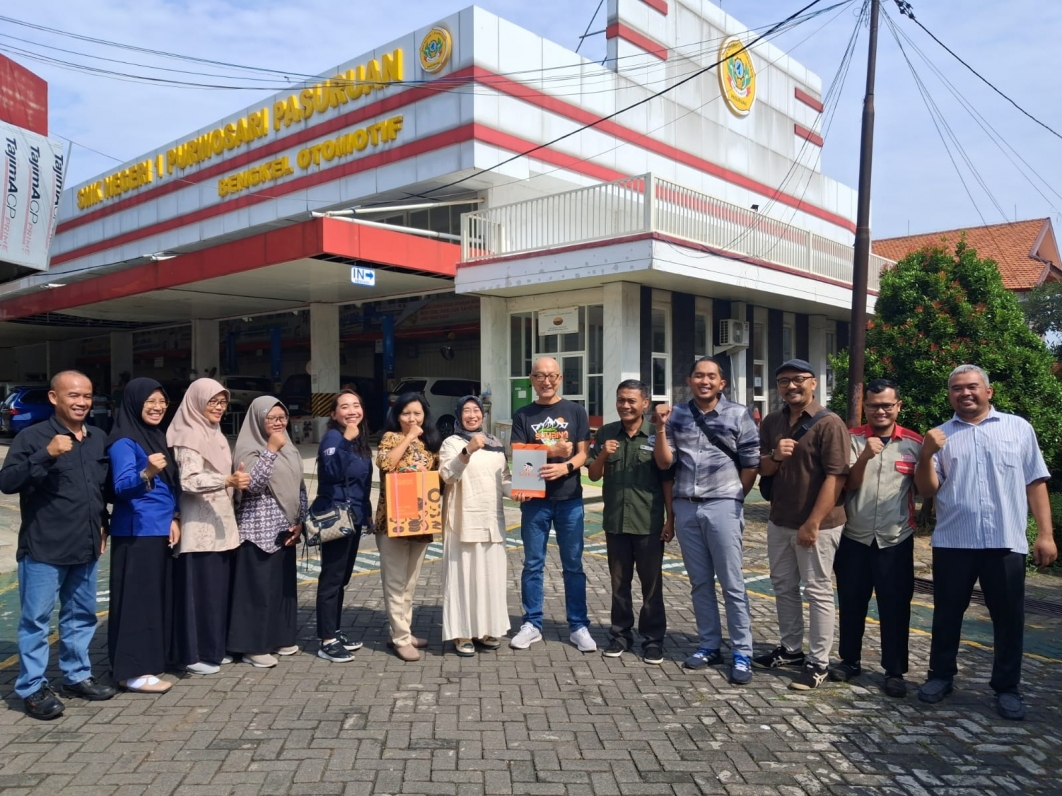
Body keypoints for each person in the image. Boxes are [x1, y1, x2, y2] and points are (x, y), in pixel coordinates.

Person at [913, 364, 1056, 720]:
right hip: (954, 543)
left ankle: (1007, 687)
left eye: (972, 387)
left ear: (988, 392)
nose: (965, 393)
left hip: (1005, 542)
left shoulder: (1018, 429)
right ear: (949, 395)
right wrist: (926, 453)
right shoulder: (941, 436)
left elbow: (1035, 482)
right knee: (947, 615)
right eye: (957, 388)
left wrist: (1046, 534)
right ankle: (940, 677)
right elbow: (927, 490)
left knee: (1008, 619)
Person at [0, 370, 116, 718]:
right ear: (54, 398)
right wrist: (46, 455)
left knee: (81, 615)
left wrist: (104, 524)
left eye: (87, 396)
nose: (81, 402)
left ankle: (76, 675)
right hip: (44, 547)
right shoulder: (33, 437)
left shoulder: (97, 437)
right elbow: (7, 482)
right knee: (36, 621)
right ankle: (33, 688)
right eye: (73, 395)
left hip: (85, 544)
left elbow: (99, 490)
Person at [653, 359, 759, 683]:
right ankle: (709, 644)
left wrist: (734, 497)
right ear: (689, 379)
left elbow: (752, 463)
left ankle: (742, 652)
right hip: (686, 507)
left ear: (721, 383)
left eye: (711, 376)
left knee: (732, 582)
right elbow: (664, 463)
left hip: (723, 505)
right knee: (700, 582)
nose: (704, 380)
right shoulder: (677, 416)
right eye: (699, 375)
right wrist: (658, 427)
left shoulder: (739, 414)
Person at [755, 359, 849, 690]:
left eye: (798, 380)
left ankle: (818, 661)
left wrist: (813, 522)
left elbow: (837, 477)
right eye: (783, 381)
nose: (791, 386)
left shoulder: (829, 424)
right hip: (780, 519)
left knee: (818, 590)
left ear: (813, 383)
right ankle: (791, 649)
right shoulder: (771, 421)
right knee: (782, 586)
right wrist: (776, 456)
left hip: (818, 525)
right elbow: (762, 470)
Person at [831, 379, 922, 698]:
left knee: (896, 607)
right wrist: (865, 456)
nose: (880, 411)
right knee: (851, 602)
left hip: (895, 540)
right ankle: (849, 661)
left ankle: (895, 671)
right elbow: (847, 485)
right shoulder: (851, 439)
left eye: (887, 405)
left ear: (898, 406)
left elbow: (922, 489)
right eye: (873, 405)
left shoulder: (915, 443)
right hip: (854, 536)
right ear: (864, 407)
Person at [509, 356, 594, 652]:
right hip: (535, 501)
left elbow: (584, 453)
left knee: (573, 565)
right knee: (533, 565)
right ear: (531, 379)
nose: (546, 381)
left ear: (560, 378)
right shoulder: (523, 415)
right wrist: (553, 450)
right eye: (539, 376)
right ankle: (532, 623)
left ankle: (578, 625)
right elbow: (520, 456)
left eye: (552, 376)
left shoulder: (576, 411)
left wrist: (566, 466)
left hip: (570, 499)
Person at [587, 380, 674, 666]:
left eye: (631, 401)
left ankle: (652, 640)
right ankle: (620, 635)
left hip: (648, 523)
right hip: (615, 522)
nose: (625, 405)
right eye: (621, 400)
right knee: (619, 584)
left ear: (644, 403)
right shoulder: (606, 433)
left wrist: (670, 519)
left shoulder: (655, 434)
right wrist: (603, 453)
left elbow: (666, 477)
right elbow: (595, 475)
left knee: (651, 586)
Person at [167, 378, 250, 676]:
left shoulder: (214, 432)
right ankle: (193, 653)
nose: (218, 407)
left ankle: (213, 648)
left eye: (222, 402)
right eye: (212, 401)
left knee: (216, 594)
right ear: (196, 402)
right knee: (199, 595)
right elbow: (188, 480)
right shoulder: (187, 433)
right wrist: (226, 481)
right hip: (198, 530)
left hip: (222, 527)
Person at [106, 377, 181, 694]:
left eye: (162, 401)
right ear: (134, 403)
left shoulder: (154, 436)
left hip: (157, 530)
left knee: (153, 599)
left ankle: (151, 660)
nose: (158, 407)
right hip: (136, 532)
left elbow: (169, 485)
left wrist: (174, 517)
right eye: (150, 401)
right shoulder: (125, 441)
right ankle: (132, 670)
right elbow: (121, 487)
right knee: (137, 602)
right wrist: (146, 473)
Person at [228, 397, 305, 669]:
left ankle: (278, 638)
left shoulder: (290, 448)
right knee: (256, 591)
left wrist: (300, 520)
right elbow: (254, 485)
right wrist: (271, 450)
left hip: (285, 529)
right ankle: (252, 646)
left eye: (281, 417)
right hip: (257, 531)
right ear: (257, 420)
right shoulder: (248, 448)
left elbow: (300, 486)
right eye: (271, 418)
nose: (278, 422)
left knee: (279, 590)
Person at [439, 396, 512, 656]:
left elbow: (503, 478)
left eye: (476, 410)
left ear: (483, 414)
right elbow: (448, 475)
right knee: (464, 578)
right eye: (466, 411)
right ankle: (462, 633)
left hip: (491, 519)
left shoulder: (496, 443)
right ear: (459, 415)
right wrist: (468, 450)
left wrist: (517, 491)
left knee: (489, 578)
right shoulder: (452, 443)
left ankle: (484, 630)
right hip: (462, 520)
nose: (472, 415)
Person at [374, 392, 441, 662]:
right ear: (397, 415)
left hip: (421, 519)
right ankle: (401, 639)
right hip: (392, 520)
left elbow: (438, 479)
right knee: (394, 581)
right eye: (406, 413)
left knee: (410, 582)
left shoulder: (431, 443)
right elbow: (386, 463)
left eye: (417, 413)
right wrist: (409, 437)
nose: (412, 418)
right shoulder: (390, 438)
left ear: (425, 415)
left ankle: (401, 631)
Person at [314, 390, 373, 663]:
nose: (352, 411)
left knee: (343, 578)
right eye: (345, 407)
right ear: (334, 414)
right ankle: (327, 641)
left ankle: (335, 631)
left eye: (356, 405)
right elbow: (331, 471)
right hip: (336, 518)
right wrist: (346, 441)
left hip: (355, 517)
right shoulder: (334, 437)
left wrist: (368, 513)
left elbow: (362, 483)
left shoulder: (359, 440)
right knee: (332, 578)